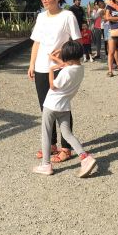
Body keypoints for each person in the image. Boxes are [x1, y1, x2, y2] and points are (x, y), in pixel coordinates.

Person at [28, 0, 82, 164]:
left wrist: (64, 51)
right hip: (41, 67)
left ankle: (66, 147)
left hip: (60, 67)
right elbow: (36, 42)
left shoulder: (67, 16)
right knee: (45, 107)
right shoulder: (41, 16)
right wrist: (31, 64)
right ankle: (51, 144)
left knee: (62, 106)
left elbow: (77, 41)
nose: (43, 0)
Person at [32, 41, 98, 177]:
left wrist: (51, 69)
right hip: (65, 107)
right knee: (68, 134)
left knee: (46, 134)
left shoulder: (65, 72)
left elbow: (52, 85)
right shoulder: (80, 69)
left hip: (51, 105)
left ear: (67, 57)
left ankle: (46, 165)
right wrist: (56, 59)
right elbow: (67, 65)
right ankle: (85, 157)